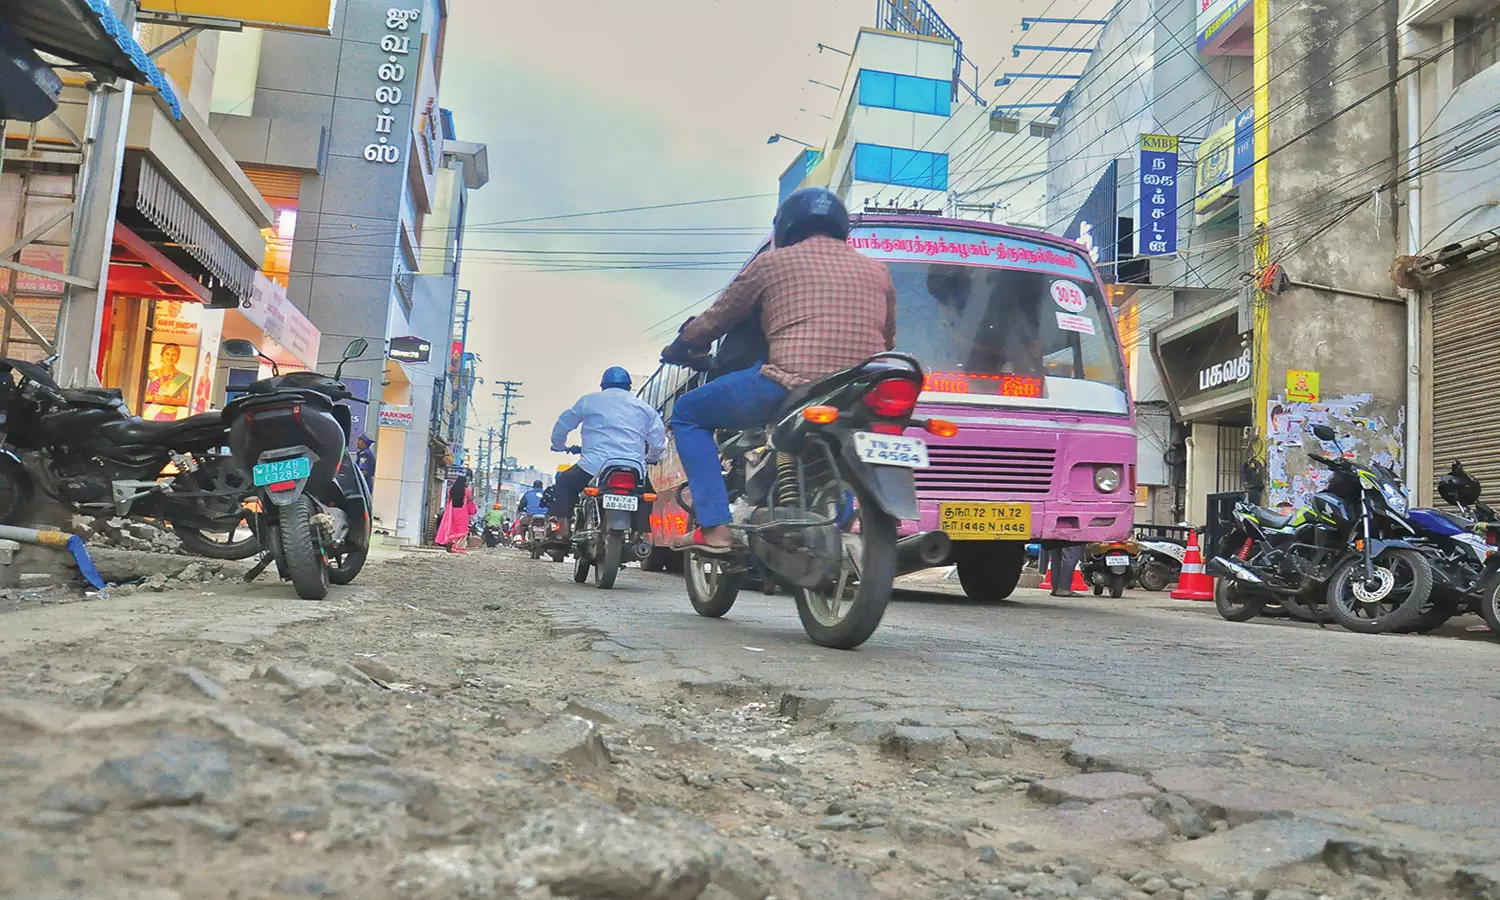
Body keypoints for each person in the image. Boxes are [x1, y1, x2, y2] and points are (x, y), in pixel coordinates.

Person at [660, 187, 896, 553]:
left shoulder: (772, 264)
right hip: (860, 390)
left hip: (790, 385)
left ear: (787, 227)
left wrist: (684, 343)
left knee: (688, 413)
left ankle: (715, 527)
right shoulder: (878, 270)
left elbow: (717, 320)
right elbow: (889, 338)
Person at [547, 366, 666, 537]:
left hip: (593, 467)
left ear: (603, 385)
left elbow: (564, 424)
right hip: (634, 469)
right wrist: (651, 458)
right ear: (628, 386)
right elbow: (658, 441)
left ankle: (562, 532)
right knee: (647, 496)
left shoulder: (589, 401)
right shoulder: (644, 408)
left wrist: (558, 445)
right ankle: (641, 537)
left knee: (565, 484)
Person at [433, 474, 476, 553]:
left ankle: (452, 544)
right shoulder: (468, 491)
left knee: (452, 529)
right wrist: (472, 511)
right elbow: (470, 502)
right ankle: (459, 547)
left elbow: (448, 501)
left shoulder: (451, 490)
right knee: (462, 530)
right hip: (463, 512)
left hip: (452, 512)